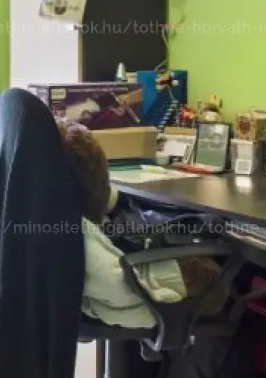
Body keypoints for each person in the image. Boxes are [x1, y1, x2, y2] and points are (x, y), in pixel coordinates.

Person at [56, 119, 220, 326]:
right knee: (223, 270)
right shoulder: (83, 235)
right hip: (150, 283)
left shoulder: (45, 200)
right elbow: (126, 293)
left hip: (112, 252)